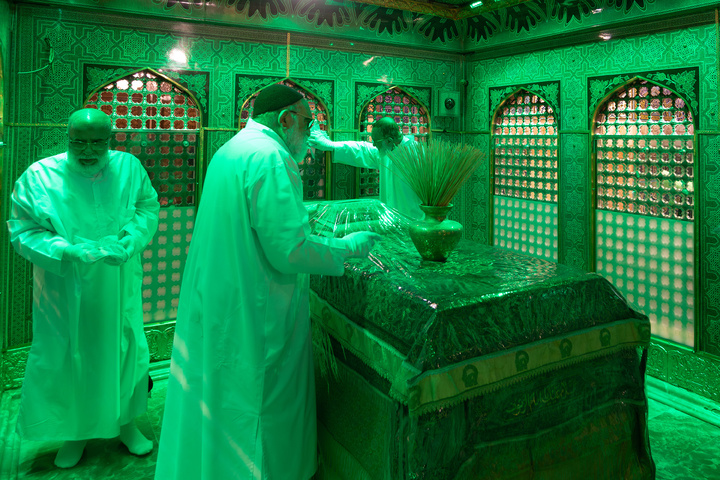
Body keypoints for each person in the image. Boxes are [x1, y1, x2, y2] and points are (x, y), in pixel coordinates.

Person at [154, 84, 381, 480]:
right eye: (308, 123)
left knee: (219, 400)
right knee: (257, 408)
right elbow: (289, 251)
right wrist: (346, 248)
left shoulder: (231, 150)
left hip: (223, 299)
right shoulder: (272, 157)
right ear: (286, 119)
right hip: (255, 312)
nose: (309, 135)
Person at [7, 108, 160, 468]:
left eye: (97, 141)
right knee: (68, 358)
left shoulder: (128, 168)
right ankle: (74, 434)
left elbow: (147, 208)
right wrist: (67, 251)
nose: (88, 150)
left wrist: (131, 239)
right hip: (64, 288)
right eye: (80, 141)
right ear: (68, 137)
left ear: (110, 139)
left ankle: (125, 425)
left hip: (118, 281)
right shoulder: (40, 177)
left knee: (124, 352)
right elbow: (22, 229)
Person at [309, 116, 423, 219]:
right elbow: (362, 149)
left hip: (413, 221)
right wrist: (331, 145)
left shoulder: (417, 155)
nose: (374, 145)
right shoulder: (386, 150)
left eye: (375, 141)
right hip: (390, 220)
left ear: (389, 140)